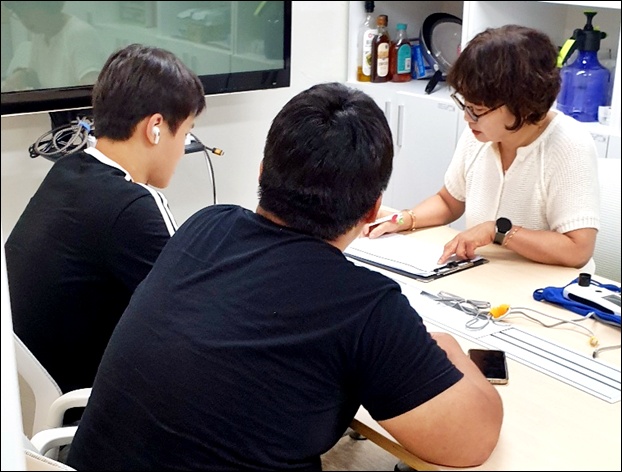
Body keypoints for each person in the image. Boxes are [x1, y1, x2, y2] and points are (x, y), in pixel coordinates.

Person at [67, 82, 503, 471]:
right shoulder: (365, 305)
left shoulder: (205, 226)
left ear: (262, 172)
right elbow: (472, 442)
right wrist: (449, 349)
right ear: (373, 209)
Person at [4, 44, 207, 407]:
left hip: (23, 401)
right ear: (156, 128)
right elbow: (199, 320)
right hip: (82, 407)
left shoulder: (68, 169)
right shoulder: (134, 205)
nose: (183, 148)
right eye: (186, 132)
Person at [364, 25, 600, 270]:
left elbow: (578, 250)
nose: (467, 118)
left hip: (548, 284)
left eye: (477, 111)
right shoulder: (481, 135)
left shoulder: (569, 144)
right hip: (486, 273)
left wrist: (498, 231)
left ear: (523, 105)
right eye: (465, 105)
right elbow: (448, 201)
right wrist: (404, 219)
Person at [1, 1, 106, 92]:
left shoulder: (80, 34)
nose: (24, 19)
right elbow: (38, 78)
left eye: (28, 11)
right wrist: (22, 75)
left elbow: (91, 91)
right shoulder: (40, 34)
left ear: (47, 4)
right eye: (19, 13)